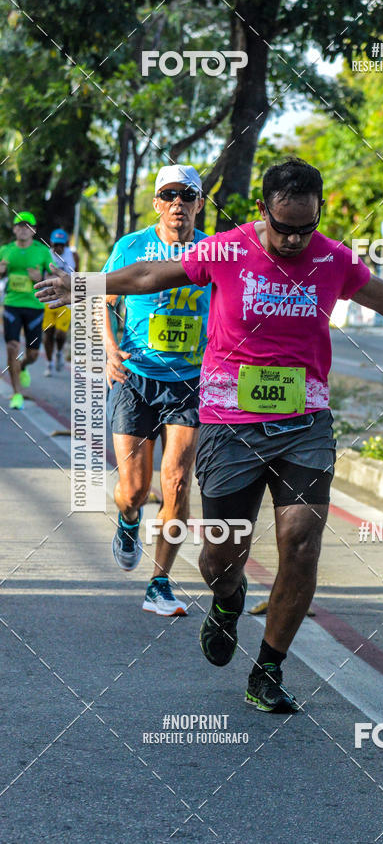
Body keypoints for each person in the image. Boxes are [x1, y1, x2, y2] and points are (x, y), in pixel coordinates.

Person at [36, 157, 383, 712]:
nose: (296, 239)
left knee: (300, 546)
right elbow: (152, 275)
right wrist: (86, 284)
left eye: (306, 226)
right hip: (230, 425)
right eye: (284, 227)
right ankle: (227, 601)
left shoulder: (331, 257)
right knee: (219, 559)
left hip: (305, 425)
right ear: (262, 212)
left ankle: (268, 669)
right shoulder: (226, 249)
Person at [101, 164, 211, 616]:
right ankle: (128, 522)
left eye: (187, 195)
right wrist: (109, 350)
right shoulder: (130, 247)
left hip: (190, 380)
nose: (178, 204)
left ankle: (160, 583)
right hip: (136, 378)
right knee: (134, 490)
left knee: (178, 483)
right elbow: (101, 299)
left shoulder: (214, 251)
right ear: (156, 202)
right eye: (169, 195)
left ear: (200, 202)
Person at [0, 211, 53, 409]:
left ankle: (21, 367)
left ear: (34, 230)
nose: (23, 229)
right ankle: (17, 394)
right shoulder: (5, 250)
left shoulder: (42, 251)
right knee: (12, 347)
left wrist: (40, 278)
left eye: (27, 226)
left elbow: (53, 279)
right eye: (19, 225)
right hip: (12, 305)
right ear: (14, 229)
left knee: (31, 355)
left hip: (35, 307)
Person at [42, 228, 79, 376]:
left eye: (61, 245)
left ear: (66, 244)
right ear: (51, 243)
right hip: (48, 300)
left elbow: (78, 275)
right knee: (47, 334)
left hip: (66, 300)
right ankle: (49, 363)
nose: (58, 247)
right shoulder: (46, 255)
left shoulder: (73, 256)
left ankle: (59, 353)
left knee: (60, 334)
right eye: (56, 244)